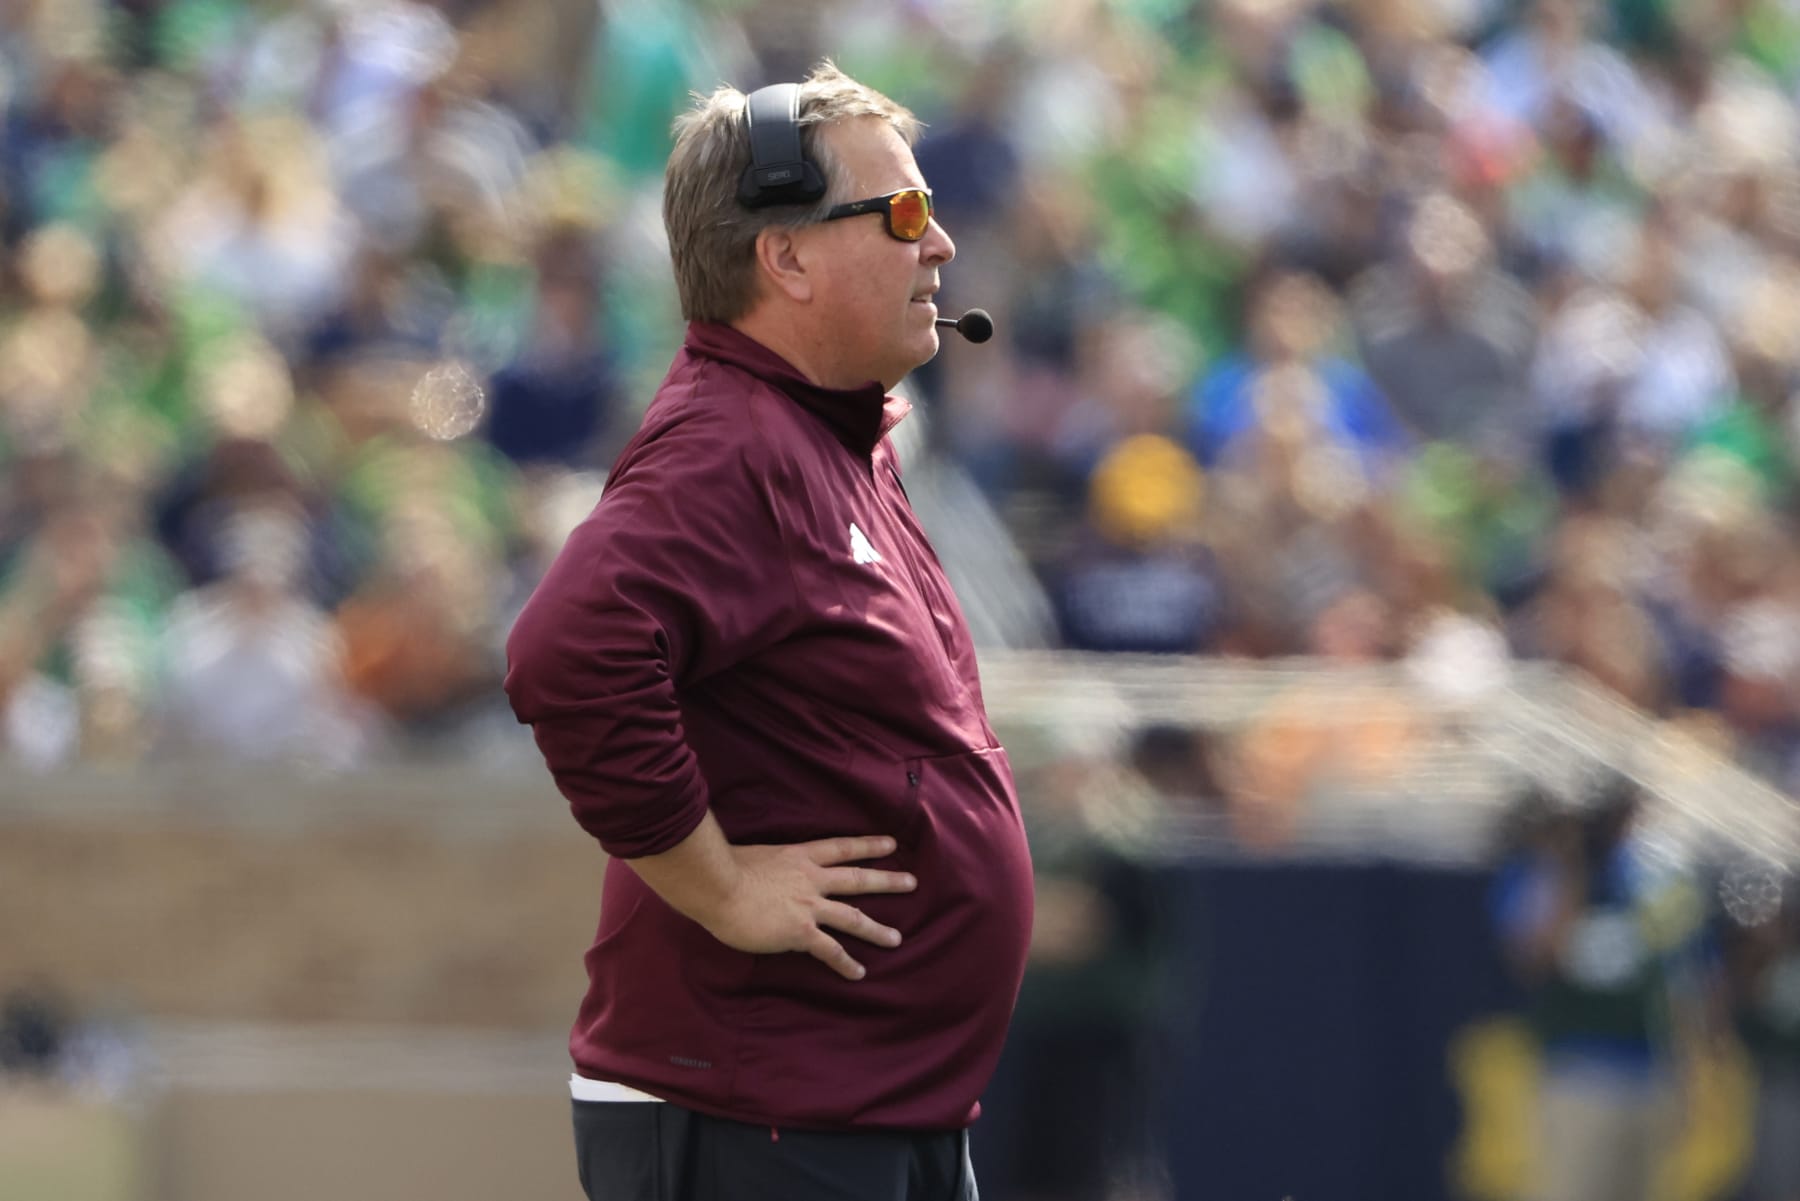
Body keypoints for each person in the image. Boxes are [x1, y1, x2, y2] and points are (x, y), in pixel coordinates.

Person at [503, 62, 1034, 1201]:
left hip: (848, 1104)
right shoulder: (733, 446)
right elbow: (568, 649)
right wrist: (723, 886)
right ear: (784, 258)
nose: (939, 244)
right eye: (903, 214)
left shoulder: (822, 434)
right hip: (762, 1110)